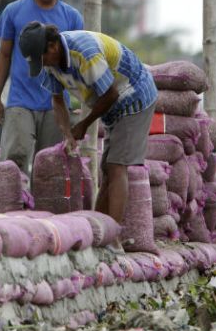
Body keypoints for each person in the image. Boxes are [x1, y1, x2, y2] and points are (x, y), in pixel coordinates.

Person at [18, 22, 158, 228]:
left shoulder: (85, 53)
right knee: (107, 169)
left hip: (134, 96)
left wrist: (83, 125)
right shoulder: (50, 64)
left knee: (117, 166)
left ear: (53, 46)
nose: (44, 64)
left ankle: (114, 235)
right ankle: (99, 230)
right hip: (111, 105)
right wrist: (67, 133)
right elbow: (57, 100)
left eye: (43, 58)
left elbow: (111, 94)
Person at [0, 0, 84, 177]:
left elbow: (77, 64)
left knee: (51, 167)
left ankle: (45, 212)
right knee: (14, 159)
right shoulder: (13, 11)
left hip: (57, 104)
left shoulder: (72, 17)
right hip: (20, 100)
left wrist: (81, 102)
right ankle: (13, 209)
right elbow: (4, 55)